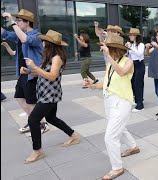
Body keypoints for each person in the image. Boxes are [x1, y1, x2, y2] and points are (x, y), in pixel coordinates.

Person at [85, 34, 140, 180]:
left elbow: (122, 73)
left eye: (107, 47)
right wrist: (93, 86)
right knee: (119, 127)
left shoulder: (128, 62)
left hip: (122, 102)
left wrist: (108, 56)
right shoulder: (110, 63)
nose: (104, 49)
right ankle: (133, 147)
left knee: (110, 137)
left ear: (114, 49)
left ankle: (117, 168)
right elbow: (107, 83)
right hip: (109, 101)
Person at [21, 29, 81, 164]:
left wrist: (35, 66)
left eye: (43, 41)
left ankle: (37, 151)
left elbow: (52, 76)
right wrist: (29, 71)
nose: (42, 43)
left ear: (49, 43)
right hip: (46, 93)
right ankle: (74, 135)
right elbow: (42, 73)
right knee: (51, 118)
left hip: (50, 94)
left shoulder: (57, 58)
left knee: (33, 120)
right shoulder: (49, 57)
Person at [1, 9, 49, 134]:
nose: (17, 22)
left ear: (27, 22)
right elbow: (5, 33)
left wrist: (11, 21)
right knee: (19, 97)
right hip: (23, 73)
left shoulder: (37, 36)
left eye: (19, 20)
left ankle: (42, 124)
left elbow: (25, 40)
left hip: (32, 74)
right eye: (16, 20)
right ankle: (33, 120)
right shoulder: (19, 34)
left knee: (32, 101)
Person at [125, 28, 145, 112]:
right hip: (132, 64)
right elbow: (128, 55)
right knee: (132, 83)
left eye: (131, 35)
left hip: (139, 64)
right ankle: (137, 100)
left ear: (136, 36)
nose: (130, 36)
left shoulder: (141, 45)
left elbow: (139, 54)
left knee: (138, 84)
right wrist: (126, 49)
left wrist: (131, 48)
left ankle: (140, 105)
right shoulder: (132, 45)